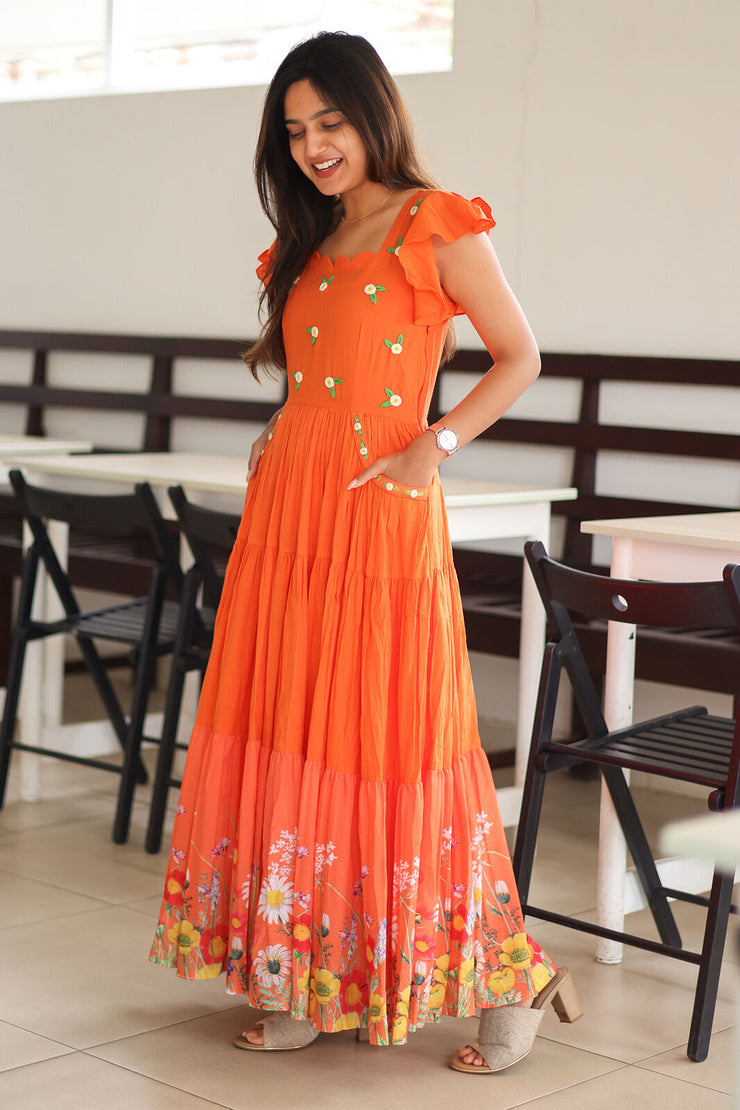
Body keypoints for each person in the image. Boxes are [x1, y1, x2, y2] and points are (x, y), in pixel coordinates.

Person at [150, 30, 582, 1074]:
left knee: (390, 741)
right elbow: (316, 377)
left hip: (380, 509)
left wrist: (432, 448)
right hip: (289, 514)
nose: (311, 147)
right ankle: (307, 973)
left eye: (328, 124)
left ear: (372, 113)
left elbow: (519, 357)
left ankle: (511, 977)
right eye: (294, 133)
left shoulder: (433, 222)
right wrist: (279, 432)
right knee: (294, 729)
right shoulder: (304, 239)